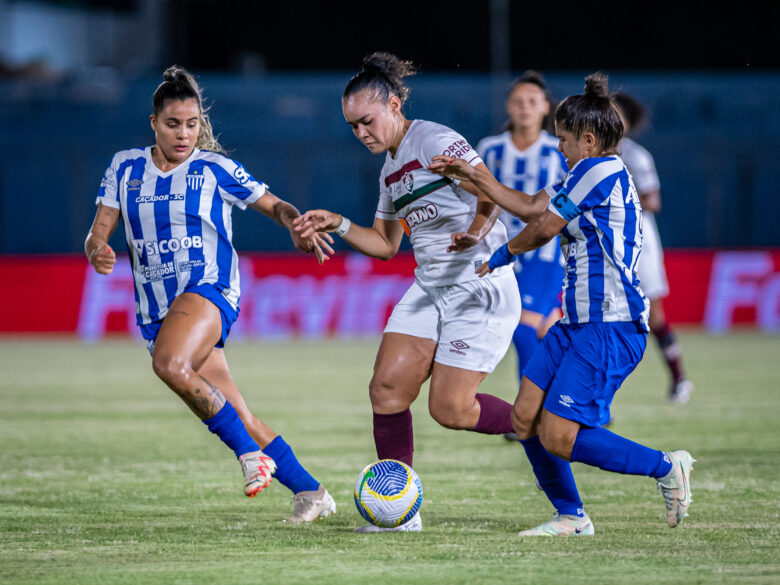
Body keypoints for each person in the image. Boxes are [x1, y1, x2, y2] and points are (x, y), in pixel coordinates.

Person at [429, 72, 694, 536]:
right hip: (576, 323)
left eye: (564, 139)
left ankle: (666, 466)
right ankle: (571, 517)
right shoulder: (584, 172)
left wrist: (502, 254)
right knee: (523, 417)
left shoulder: (602, 169)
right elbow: (531, 205)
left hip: (609, 325)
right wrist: (471, 175)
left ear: (588, 140)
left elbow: (543, 228)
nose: (558, 147)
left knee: (557, 434)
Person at [84, 65, 337, 523]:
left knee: (168, 364)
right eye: (173, 124)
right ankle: (311, 491)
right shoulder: (125, 166)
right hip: (157, 309)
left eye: (192, 124)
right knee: (237, 411)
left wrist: (295, 222)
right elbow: (97, 233)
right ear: (154, 123)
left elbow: (274, 204)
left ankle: (247, 457)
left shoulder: (213, 168)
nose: (184, 134)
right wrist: (97, 249)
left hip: (209, 289)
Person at [294, 52, 522, 533]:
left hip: (477, 284)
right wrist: (337, 221)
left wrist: (478, 231)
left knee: (451, 409)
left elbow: (490, 192)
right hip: (431, 287)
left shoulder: (435, 139)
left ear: (394, 104)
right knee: (387, 389)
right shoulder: (389, 171)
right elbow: (384, 244)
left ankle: (538, 422)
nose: (361, 133)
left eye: (366, 121)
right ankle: (399, 514)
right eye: (353, 127)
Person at [475, 71, 568, 440]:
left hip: (545, 254)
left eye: (532, 101)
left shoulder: (559, 149)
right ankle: (573, 406)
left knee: (523, 326)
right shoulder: (490, 148)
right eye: (518, 101)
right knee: (549, 331)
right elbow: (479, 195)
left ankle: (527, 416)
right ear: (508, 107)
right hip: (503, 251)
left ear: (546, 107)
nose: (525, 108)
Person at [613, 91, 693, 404]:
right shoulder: (589, 155)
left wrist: (617, 200)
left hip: (641, 242)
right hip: (606, 243)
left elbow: (653, 200)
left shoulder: (635, 155)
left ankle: (679, 377)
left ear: (628, 124)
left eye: (617, 115)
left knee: (653, 316)